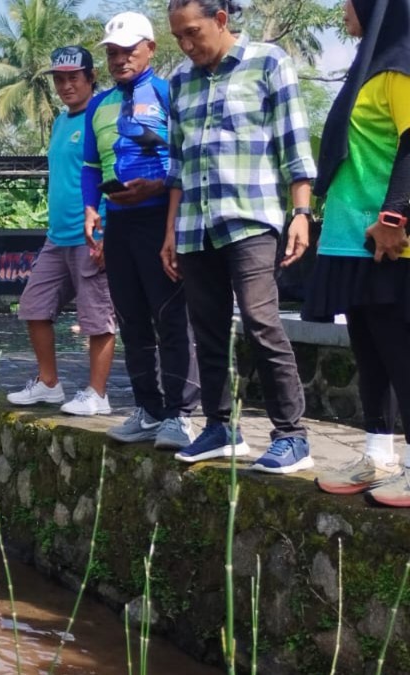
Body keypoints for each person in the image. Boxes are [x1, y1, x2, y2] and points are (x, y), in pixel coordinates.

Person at [162, 0, 318, 473]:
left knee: (260, 320)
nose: (187, 45)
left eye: (193, 33)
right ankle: (220, 427)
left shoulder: (268, 62)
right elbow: (176, 166)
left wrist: (302, 212)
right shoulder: (179, 82)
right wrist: (169, 230)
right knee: (206, 328)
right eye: (179, 38)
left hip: (250, 219)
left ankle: (292, 435)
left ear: (221, 20)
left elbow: (294, 142)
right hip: (194, 225)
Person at [305, 0, 410, 502]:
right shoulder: (366, 71)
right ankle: (378, 454)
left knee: (401, 352)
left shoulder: (400, 67)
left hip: (388, 240)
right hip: (350, 240)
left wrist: (395, 215)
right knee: (370, 353)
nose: (343, 8)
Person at [82, 13, 200, 447]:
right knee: (131, 320)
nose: (120, 59)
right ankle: (148, 409)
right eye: (112, 53)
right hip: (120, 223)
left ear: (151, 47)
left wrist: (158, 185)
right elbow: (91, 167)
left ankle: (182, 414)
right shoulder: (99, 104)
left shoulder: (170, 93)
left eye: (129, 50)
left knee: (170, 316)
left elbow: (184, 159)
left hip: (160, 218)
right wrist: (91, 210)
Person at [7, 45, 118, 417]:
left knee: (96, 318)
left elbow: (110, 172)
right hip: (57, 237)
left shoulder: (103, 115)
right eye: (59, 79)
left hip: (92, 234)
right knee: (33, 306)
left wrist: (104, 229)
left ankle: (97, 394)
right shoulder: (59, 121)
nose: (66, 85)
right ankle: (49, 383)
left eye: (73, 77)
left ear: (90, 77)